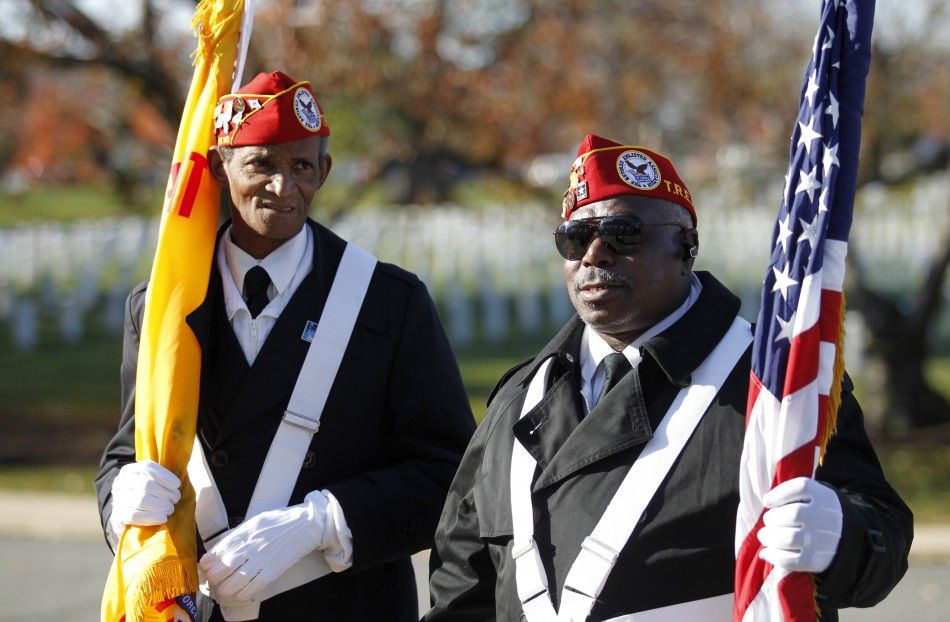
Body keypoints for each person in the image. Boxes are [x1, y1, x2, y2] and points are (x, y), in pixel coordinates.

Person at [425, 134, 912, 621]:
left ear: (686, 247)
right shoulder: (518, 400)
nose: (593, 254)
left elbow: (881, 538)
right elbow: (462, 583)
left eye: (623, 233)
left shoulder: (769, 387)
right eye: (574, 238)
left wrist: (841, 534)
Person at [95, 70, 475, 622]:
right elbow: (129, 450)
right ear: (221, 168)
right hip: (200, 608)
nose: (283, 186)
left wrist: (324, 522)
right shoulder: (159, 307)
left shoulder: (389, 302)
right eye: (261, 164)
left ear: (324, 169)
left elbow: (450, 475)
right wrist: (120, 500)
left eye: (301, 165)